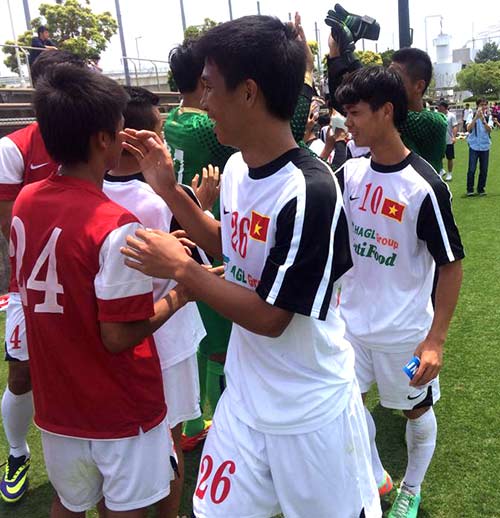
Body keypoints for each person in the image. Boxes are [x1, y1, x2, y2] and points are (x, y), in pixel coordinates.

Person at [120, 15, 381, 518]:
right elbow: (231, 245)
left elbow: (271, 317)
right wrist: (168, 190)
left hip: (308, 410)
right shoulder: (238, 166)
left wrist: (185, 272)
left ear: (247, 92)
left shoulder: (310, 190)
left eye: (209, 86)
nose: (203, 101)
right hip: (244, 397)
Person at [11, 64, 185, 517]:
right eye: (120, 127)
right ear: (104, 140)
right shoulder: (116, 225)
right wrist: (181, 293)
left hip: (59, 404)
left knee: (67, 504)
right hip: (120, 408)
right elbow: (119, 335)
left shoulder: (25, 200)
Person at [335, 66, 464, 518]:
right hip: (350, 327)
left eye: (355, 113)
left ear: (386, 112)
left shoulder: (424, 186)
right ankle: (374, 474)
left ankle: (411, 487)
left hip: (404, 335)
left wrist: (435, 341)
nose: (347, 122)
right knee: (344, 408)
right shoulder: (348, 174)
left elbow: (451, 265)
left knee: (415, 410)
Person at [103, 86, 207, 518]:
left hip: (116, 338)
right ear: (135, 139)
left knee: (118, 445)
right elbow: (194, 258)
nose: (164, 140)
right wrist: (200, 205)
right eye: (160, 132)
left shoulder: (92, 192)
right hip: (166, 337)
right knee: (169, 440)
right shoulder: (157, 199)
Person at [0, 50, 85, 505]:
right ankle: (17, 452)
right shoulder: (14, 148)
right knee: (22, 375)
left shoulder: (95, 136)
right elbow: (12, 226)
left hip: (88, 277)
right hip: (33, 287)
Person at [326, 35, 447, 174]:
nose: (388, 80)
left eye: (395, 76)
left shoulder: (435, 123)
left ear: (419, 86)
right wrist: (336, 53)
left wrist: (347, 55)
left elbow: (369, 97)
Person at [466, 98, 493, 196]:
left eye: (485, 105)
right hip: (474, 145)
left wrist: (483, 120)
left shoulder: (489, 116)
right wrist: (475, 118)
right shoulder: (471, 115)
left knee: (484, 170)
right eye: (482, 105)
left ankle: (481, 189)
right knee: (472, 169)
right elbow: (468, 129)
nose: (484, 107)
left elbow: (489, 130)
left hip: (485, 146)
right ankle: (470, 189)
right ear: (477, 106)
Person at [437, 100, 458, 181]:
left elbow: (455, 126)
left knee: (449, 158)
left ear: (443, 107)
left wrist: (454, 137)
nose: (438, 108)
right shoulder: (437, 115)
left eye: (439, 106)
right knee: (438, 157)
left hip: (448, 140)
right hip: (439, 141)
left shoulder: (451, 116)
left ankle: (449, 173)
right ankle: (441, 170)